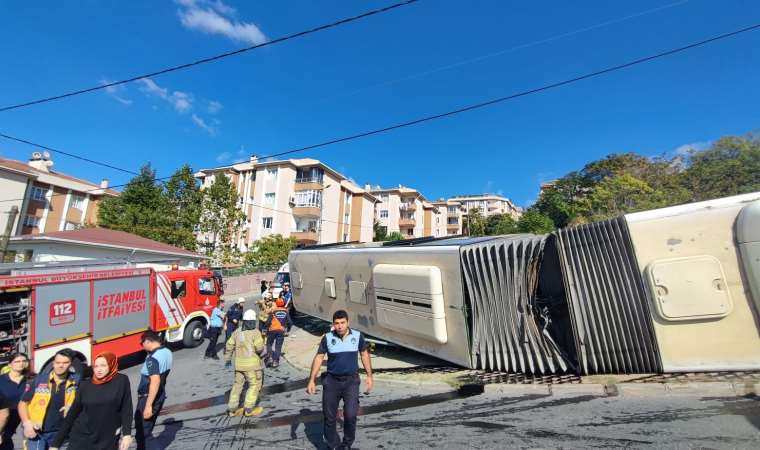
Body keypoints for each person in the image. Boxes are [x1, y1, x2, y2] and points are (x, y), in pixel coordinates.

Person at [306, 310, 373, 450]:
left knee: (350, 415)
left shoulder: (357, 336)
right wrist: (312, 380)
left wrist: (369, 375)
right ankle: (334, 446)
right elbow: (319, 357)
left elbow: (364, 354)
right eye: (337, 323)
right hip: (332, 381)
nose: (340, 326)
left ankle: (347, 443)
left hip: (351, 381)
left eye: (342, 323)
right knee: (329, 417)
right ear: (333, 324)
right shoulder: (328, 338)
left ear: (348, 322)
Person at [49, 352, 132, 450]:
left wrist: (127, 434)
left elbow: (126, 408)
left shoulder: (121, 381)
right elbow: (72, 415)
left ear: (111, 364)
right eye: (96, 366)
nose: (99, 369)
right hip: (82, 437)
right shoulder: (85, 385)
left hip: (107, 438)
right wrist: (56, 444)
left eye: (103, 365)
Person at [18, 349, 79, 450]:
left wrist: (72, 407)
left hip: (62, 433)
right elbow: (22, 403)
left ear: (71, 364)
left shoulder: (76, 381)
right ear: (53, 363)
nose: (61, 366)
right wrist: (27, 423)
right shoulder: (38, 380)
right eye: (58, 362)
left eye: (65, 363)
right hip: (37, 432)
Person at [134, 330, 172, 450]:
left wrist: (148, 405)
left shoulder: (152, 358)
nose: (142, 346)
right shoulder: (167, 352)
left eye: (142, 343)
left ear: (148, 341)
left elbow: (155, 381)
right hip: (160, 395)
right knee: (146, 430)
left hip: (148, 397)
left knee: (143, 434)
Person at [224, 309, 266, 417]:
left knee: (237, 386)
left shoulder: (237, 332)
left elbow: (229, 346)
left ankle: (232, 410)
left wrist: (228, 359)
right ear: (252, 321)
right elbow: (259, 348)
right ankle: (248, 409)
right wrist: (264, 351)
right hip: (252, 366)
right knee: (254, 385)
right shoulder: (255, 332)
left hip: (239, 366)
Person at [0, 353, 33, 450]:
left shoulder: (32, 379)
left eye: (24, 361)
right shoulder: (1, 380)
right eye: (17, 361)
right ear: (10, 364)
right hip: (7, 419)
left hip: (27, 418)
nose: (21, 364)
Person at [264, 297, 292, 368]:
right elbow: (290, 322)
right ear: (283, 304)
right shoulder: (286, 312)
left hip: (272, 330)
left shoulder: (273, 311)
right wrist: (288, 330)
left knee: (269, 344)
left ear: (276, 303)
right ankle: (275, 362)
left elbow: (268, 322)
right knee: (278, 346)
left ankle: (270, 357)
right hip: (281, 331)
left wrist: (265, 329)